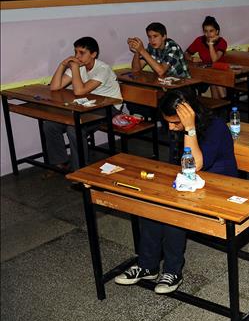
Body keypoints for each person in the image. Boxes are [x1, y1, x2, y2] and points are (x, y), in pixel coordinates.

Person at [115, 89, 237, 294]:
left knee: (174, 213)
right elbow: (179, 167)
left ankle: (172, 271)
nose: (171, 128)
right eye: (168, 122)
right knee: (152, 204)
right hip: (194, 185)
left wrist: (189, 129)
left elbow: (194, 165)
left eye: (175, 122)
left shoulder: (214, 127)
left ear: (190, 114)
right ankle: (148, 266)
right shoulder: (179, 129)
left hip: (221, 188)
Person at [44, 37, 122, 171]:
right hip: (86, 106)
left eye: (82, 53)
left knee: (74, 129)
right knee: (50, 125)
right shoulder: (78, 66)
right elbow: (55, 87)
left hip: (109, 107)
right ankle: (60, 162)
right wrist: (62, 65)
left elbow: (79, 91)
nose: (77, 56)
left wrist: (74, 68)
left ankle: (80, 170)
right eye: (75, 52)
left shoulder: (103, 69)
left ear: (93, 54)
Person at [184, 16, 228, 98]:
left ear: (217, 31)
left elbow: (214, 59)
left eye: (211, 31)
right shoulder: (199, 40)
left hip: (220, 71)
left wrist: (210, 44)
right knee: (212, 81)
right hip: (207, 71)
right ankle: (218, 104)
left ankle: (225, 102)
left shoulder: (222, 42)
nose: (208, 34)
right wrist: (191, 58)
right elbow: (186, 53)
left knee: (217, 85)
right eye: (205, 31)